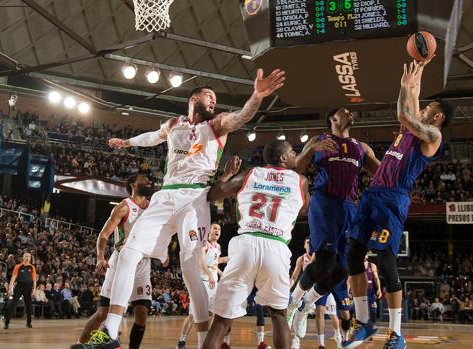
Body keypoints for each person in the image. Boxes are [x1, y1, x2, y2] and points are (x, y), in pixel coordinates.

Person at [85, 68, 285, 349]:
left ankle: (205, 341)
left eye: (215, 98)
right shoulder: (174, 124)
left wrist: (257, 95)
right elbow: (153, 137)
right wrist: (126, 142)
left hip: (195, 199)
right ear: (193, 99)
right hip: (165, 196)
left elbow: (241, 117)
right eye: (209, 96)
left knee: (191, 270)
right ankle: (111, 332)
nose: (213, 101)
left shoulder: (216, 125)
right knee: (129, 252)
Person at [345, 58, 454, 348]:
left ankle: (396, 333)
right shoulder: (410, 129)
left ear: (438, 117)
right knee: (353, 255)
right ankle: (365, 322)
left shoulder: (432, 136)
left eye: (429, 108)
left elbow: (407, 113)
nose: (424, 107)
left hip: (394, 198)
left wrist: (404, 87)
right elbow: (412, 101)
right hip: (373, 193)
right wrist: (415, 78)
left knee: (385, 261)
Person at [202, 140, 310, 349]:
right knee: (279, 315)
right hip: (276, 246)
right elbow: (304, 209)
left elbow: (213, 195)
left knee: (222, 320)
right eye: (292, 152)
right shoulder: (301, 180)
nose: (295, 155)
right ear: (283, 159)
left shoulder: (250, 174)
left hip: (246, 244)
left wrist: (227, 174)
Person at [287, 107, 380, 340]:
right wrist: (309, 149)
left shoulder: (361, 147)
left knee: (346, 267)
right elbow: (295, 170)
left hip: (349, 206)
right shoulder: (320, 140)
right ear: (332, 118)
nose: (350, 113)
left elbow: (381, 173)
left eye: (352, 111)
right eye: (344, 111)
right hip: (324, 202)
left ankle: (307, 303)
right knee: (323, 264)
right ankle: (294, 300)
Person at [72, 175, 152, 349]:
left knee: (142, 313)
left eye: (149, 181)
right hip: (122, 259)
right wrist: (101, 257)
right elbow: (104, 235)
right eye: (144, 181)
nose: (148, 183)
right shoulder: (124, 207)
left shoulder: (153, 207)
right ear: (133, 185)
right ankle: (81, 344)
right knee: (102, 313)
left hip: (143, 262)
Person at [177, 223, 229, 349]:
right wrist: (209, 275)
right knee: (192, 315)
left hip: (213, 284)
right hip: (202, 282)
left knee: (216, 313)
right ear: (209, 231)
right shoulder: (204, 245)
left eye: (219, 229)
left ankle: (209, 339)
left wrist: (221, 273)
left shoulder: (218, 247)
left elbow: (214, 265)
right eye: (215, 228)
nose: (217, 231)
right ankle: (182, 341)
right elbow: (201, 263)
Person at [4, 252, 36, 329]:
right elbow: (13, 278)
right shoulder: (18, 266)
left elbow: (34, 279)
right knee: (13, 304)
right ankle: (7, 322)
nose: (27, 257)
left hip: (28, 288)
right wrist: (10, 289)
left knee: (28, 305)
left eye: (29, 256)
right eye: (26, 256)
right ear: (23, 257)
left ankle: (29, 323)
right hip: (19, 287)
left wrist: (34, 289)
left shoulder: (32, 267)